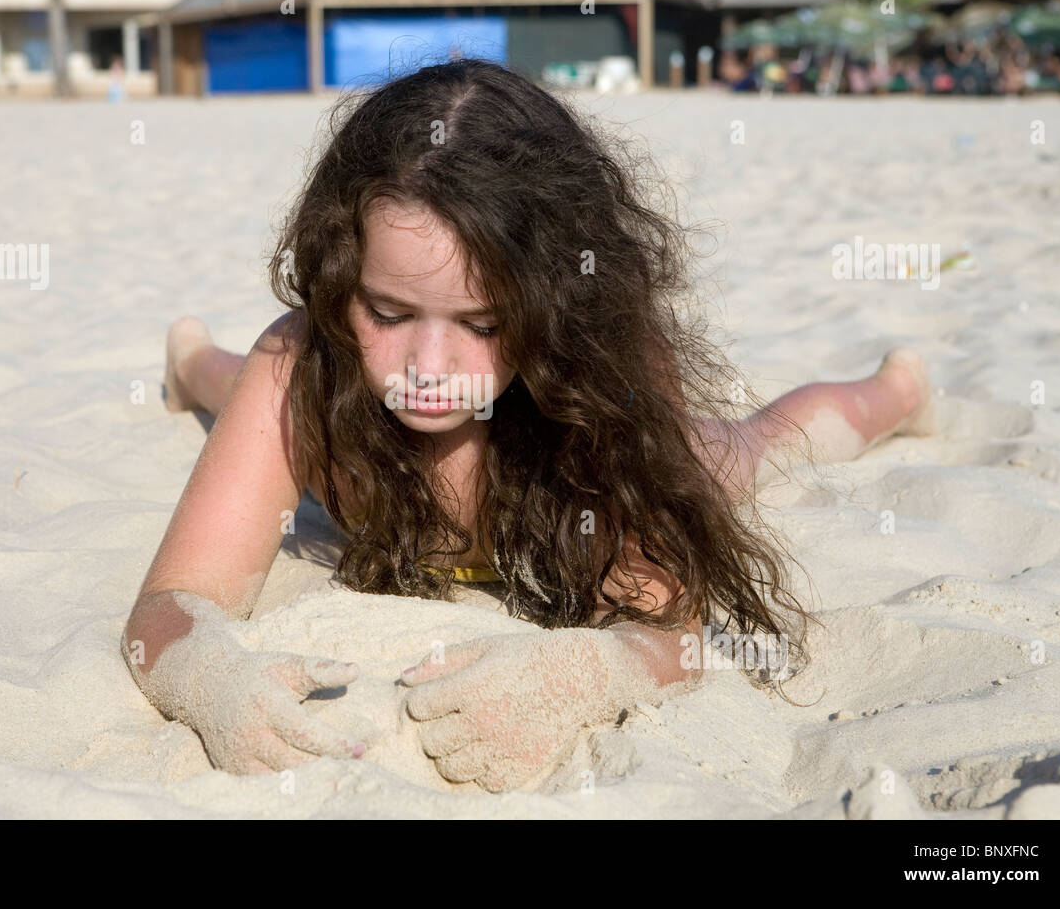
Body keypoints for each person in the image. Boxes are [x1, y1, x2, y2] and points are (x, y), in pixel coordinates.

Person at [121, 59, 938, 792]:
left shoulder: (602, 375)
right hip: (315, 372)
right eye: (389, 310)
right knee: (256, 382)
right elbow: (171, 603)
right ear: (341, 275)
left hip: (649, 433)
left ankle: (898, 389)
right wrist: (211, 676)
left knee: (750, 445)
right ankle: (193, 360)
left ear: (552, 301)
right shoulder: (309, 360)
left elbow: (667, 635)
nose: (428, 366)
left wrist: (584, 673)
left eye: (481, 323)